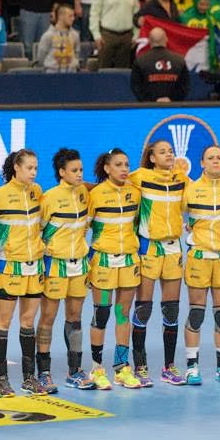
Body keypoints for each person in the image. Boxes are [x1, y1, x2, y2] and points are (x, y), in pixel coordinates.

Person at [126, 139, 190, 388]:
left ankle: (169, 367)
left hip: (173, 247)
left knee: (171, 309)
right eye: (162, 152)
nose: (168, 155)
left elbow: (204, 191)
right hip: (148, 247)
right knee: (143, 308)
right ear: (151, 157)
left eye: (170, 151)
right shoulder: (139, 177)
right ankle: (140, 366)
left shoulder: (181, 179)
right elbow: (112, 184)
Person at [182, 145, 220, 385]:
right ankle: (191, 367)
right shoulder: (190, 190)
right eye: (211, 158)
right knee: (196, 313)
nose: (215, 161)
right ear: (201, 163)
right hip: (199, 258)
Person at [0, 149, 47, 396]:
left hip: (34, 266)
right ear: (16, 167)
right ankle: (0, 378)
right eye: (29, 168)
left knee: (28, 322)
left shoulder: (37, 192)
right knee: (4, 321)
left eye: (35, 168)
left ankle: (29, 377)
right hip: (9, 266)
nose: (33, 173)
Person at [86, 148, 142, 390]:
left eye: (126, 164)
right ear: (107, 168)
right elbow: (81, 226)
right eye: (118, 165)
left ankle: (121, 368)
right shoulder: (95, 195)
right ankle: (97, 368)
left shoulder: (135, 193)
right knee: (101, 314)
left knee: (122, 313)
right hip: (104, 262)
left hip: (129, 261)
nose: (124, 169)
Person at [39, 148, 94, 392]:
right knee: (48, 318)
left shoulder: (84, 192)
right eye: (74, 170)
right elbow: (36, 230)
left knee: (74, 318)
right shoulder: (49, 197)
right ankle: (44, 373)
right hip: (55, 265)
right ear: (62, 172)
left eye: (81, 170)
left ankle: (75, 371)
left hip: (79, 264)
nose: (79, 174)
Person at [90, 0, 138, 69]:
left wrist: (136, 35)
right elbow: (94, 14)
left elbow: (136, 16)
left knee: (123, 71)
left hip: (127, 36)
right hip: (107, 35)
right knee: (103, 69)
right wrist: (96, 35)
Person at [131, 27, 189, 102]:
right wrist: (172, 100)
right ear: (166, 39)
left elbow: (136, 87)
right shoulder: (179, 60)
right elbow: (184, 87)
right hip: (174, 108)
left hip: (148, 108)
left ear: (149, 40)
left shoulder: (140, 61)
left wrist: (151, 101)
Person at [37, 3, 80, 72]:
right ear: (61, 16)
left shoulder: (75, 35)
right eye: (70, 16)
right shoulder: (48, 35)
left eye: (73, 16)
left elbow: (77, 54)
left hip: (72, 75)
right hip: (51, 75)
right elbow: (41, 57)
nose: (73, 19)